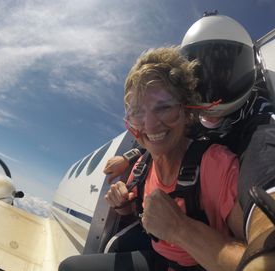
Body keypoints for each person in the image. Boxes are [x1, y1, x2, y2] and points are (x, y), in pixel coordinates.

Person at [103, 13, 275, 270]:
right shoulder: (181, 126)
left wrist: (179, 228)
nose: (209, 85)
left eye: (224, 69)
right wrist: (128, 161)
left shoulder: (257, 129)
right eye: (199, 72)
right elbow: (153, 135)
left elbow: (265, 176)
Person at [59, 46, 245, 271]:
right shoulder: (142, 166)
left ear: (187, 112)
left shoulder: (216, 165)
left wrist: (180, 228)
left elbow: (259, 258)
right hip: (160, 259)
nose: (150, 124)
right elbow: (137, 213)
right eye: (137, 113)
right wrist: (122, 205)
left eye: (164, 107)